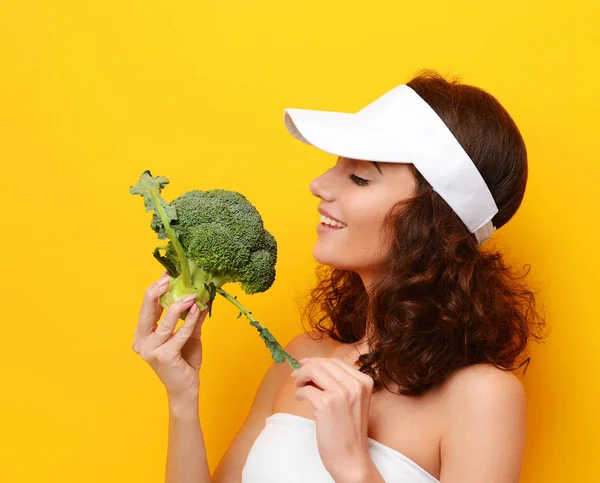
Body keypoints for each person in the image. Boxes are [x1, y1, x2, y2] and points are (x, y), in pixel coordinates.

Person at [132, 69, 548, 482]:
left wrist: (353, 465)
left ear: (433, 221)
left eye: (360, 177)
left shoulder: (482, 398)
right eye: (336, 166)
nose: (319, 184)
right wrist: (183, 398)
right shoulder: (301, 356)